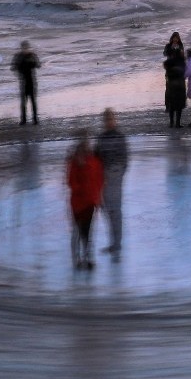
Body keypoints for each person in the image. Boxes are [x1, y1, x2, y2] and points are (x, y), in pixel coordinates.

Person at [66, 131, 104, 270]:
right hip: (79, 203)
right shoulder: (75, 162)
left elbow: (99, 181)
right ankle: (78, 258)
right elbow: (71, 181)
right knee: (78, 231)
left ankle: (87, 257)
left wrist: (97, 198)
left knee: (86, 232)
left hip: (89, 203)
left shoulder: (94, 161)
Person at [94, 108, 128, 258]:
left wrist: (116, 174)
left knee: (115, 211)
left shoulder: (120, 137)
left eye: (111, 119)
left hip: (114, 177)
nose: (109, 122)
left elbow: (124, 160)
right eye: (106, 119)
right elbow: (96, 159)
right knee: (108, 211)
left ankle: (116, 244)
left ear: (115, 120)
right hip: (104, 178)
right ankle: (114, 243)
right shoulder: (101, 139)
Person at [12, 40, 41, 125]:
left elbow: (38, 65)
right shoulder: (19, 56)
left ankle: (34, 119)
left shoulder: (31, 55)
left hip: (30, 81)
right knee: (25, 102)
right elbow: (13, 67)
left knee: (32, 101)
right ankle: (25, 119)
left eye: (26, 48)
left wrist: (32, 62)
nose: (25, 49)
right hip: (25, 81)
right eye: (24, 48)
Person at [164, 55, 187, 129]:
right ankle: (177, 123)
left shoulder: (169, 67)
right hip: (180, 88)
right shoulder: (181, 65)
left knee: (172, 106)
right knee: (179, 107)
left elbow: (167, 74)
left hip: (171, 88)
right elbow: (184, 75)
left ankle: (171, 123)